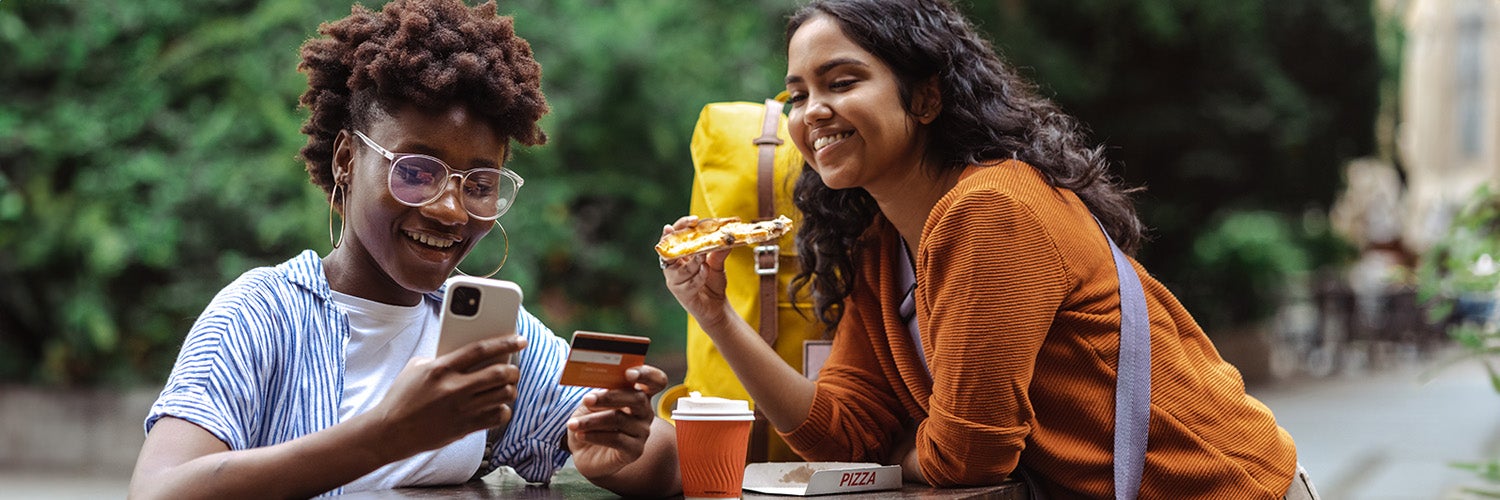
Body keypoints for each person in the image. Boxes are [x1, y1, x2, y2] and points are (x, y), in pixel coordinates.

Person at [661, 0, 1317, 498]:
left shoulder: (992, 210)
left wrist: (895, 456)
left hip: (1228, 488)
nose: (812, 113)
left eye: (841, 81)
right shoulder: (881, 246)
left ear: (924, 97)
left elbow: (969, 455)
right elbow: (842, 433)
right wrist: (715, 316)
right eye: (798, 94)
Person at [129, 1, 680, 497]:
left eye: (480, 184)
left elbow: (666, 465)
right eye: (416, 171)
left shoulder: (488, 338)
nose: (450, 208)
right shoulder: (260, 315)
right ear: (346, 158)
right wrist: (385, 436)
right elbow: (158, 493)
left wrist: (615, 447)